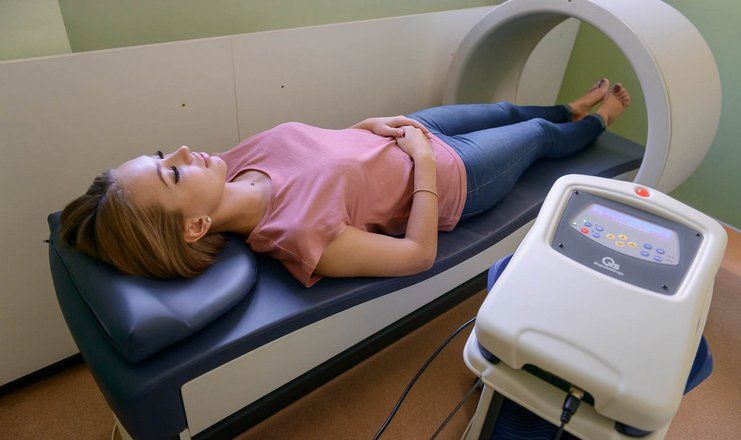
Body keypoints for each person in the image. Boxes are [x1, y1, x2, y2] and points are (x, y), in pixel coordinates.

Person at [60, 79, 630, 287]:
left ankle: (570, 106)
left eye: (164, 155)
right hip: (459, 174)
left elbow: (324, 151)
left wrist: (367, 126)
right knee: (538, 136)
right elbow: (417, 255)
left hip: (408, 130)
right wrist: (424, 165)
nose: (185, 151)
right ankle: (596, 122)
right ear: (196, 227)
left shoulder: (227, 163)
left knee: (506, 108)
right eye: (172, 171)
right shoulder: (298, 235)